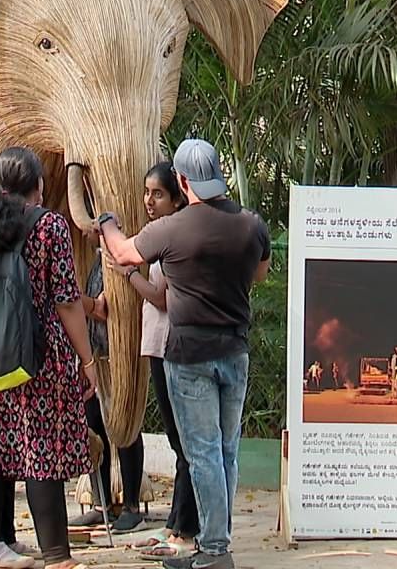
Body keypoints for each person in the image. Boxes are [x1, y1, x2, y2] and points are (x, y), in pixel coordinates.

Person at [99, 139, 271, 569]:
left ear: (181, 181)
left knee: (203, 453)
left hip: (189, 353)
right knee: (226, 450)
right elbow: (261, 273)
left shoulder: (173, 228)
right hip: (235, 350)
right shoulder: (251, 224)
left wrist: (106, 222)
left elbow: (123, 252)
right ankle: (218, 540)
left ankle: (214, 550)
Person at [0, 147, 97, 569]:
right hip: (41, 357)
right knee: (42, 452)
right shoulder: (50, 227)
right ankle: (57, 556)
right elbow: (67, 301)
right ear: (38, 186)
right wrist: (86, 359)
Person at [100, 162, 198, 558]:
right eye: (146, 193)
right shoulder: (164, 238)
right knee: (180, 443)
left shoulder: (176, 238)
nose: (149, 201)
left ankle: (184, 529)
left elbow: (162, 298)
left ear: (177, 197)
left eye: (157, 194)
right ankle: (175, 524)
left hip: (171, 347)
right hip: (158, 348)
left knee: (184, 443)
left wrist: (126, 276)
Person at [70, 249, 147, 533]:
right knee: (94, 426)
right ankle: (100, 505)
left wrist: (85, 304)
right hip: (97, 356)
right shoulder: (96, 258)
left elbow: (110, 309)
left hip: (120, 356)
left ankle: (131, 507)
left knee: (126, 427)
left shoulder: (124, 257)